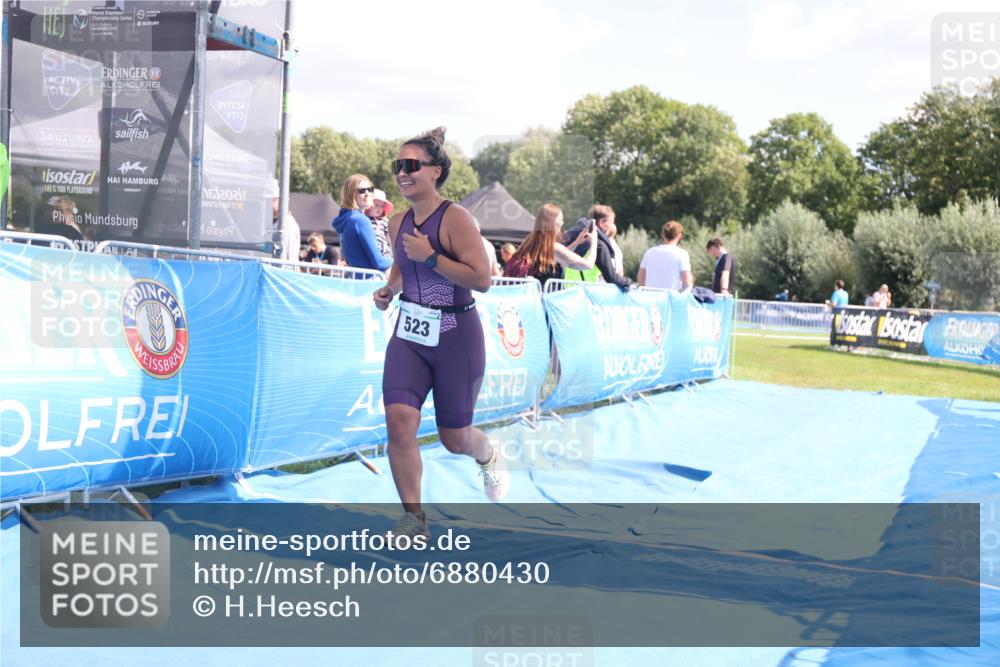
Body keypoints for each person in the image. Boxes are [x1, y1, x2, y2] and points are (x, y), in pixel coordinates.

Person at [372, 127, 507, 541]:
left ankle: (487, 453)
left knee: (454, 439)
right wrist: (389, 289)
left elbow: (481, 278)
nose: (402, 173)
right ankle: (414, 519)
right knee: (398, 422)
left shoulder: (456, 219)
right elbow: (401, 265)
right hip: (409, 335)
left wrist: (431, 256)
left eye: (411, 166)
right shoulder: (397, 223)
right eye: (398, 166)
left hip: (455, 335)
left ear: (435, 171)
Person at [503, 204, 598, 288]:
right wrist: (594, 241)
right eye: (561, 220)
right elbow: (588, 265)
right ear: (553, 224)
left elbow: (556, 258)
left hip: (534, 301)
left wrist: (576, 242)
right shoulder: (554, 248)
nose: (562, 223)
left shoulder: (530, 243)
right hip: (549, 302)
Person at [562, 204, 633, 290]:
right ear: (602, 223)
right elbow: (611, 277)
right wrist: (627, 282)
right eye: (611, 222)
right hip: (586, 292)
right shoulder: (598, 245)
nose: (612, 226)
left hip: (567, 290)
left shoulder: (579, 237)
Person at [333, 174, 392, 272]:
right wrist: (395, 261)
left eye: (370, 189)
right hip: (371, 281)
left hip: (356, 279)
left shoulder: (347, 219)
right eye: (362, 191)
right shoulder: (361, 221)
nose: (367, 193)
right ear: (351, 194)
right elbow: (379, 262)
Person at [638, 220, 693, 291]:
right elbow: (687, 282)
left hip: (650, 298)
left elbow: (641, 278)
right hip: (670, 299)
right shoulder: (682, 254)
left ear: (663, 235)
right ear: (679, 236)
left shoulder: (649, 252)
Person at [272, 179, 301, 262]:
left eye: (273, 200)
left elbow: (289, 255)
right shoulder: (276, 222)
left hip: (281, 272)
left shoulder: (287, 224)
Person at [366, 188, 394, 260]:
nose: (379, 208)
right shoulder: (364, 220)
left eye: (382, 206)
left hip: (384, 253)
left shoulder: (384, 221)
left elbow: (389, 239)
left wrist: (392, 253)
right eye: (376, 205)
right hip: (370, 252)